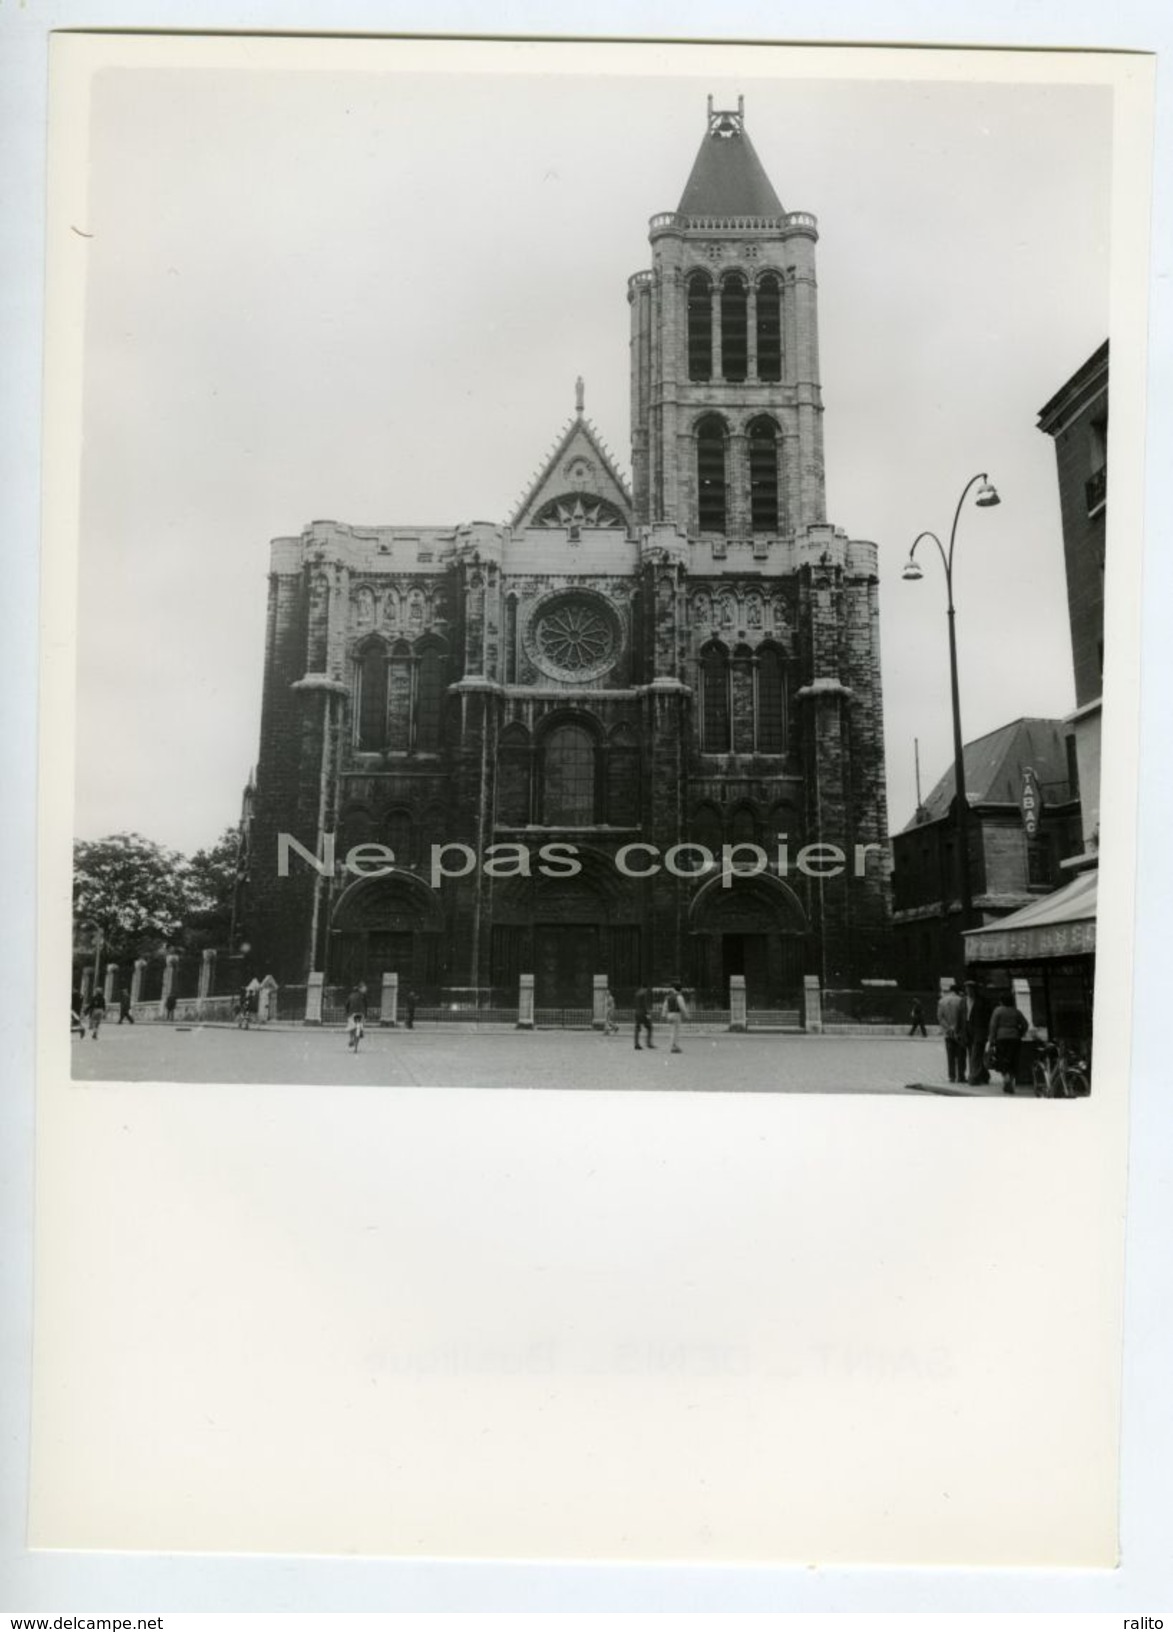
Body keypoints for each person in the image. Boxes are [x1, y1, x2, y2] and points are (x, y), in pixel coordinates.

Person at [987, 988, 1029, 1095]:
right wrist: (1020, 1033)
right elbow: (1025, 1024)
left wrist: (991, 1039)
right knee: (1013, 1059)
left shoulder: (998, 1011)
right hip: (1015, 1038)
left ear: (1001, 1001)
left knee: (1002, 1059)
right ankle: (1011, 1079)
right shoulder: (1016, 1011)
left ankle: (1006, 1078)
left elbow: (993, 1026)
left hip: (1001, 1038)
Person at [962, 979, 992, 1086]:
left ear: (975, 990)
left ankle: (973, 1078)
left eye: (971, 989)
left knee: (975, 1054)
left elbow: (988, 1017)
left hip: (980, 1031)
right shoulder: (963, 1001)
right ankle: (984, 1075)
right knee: (973, 1054)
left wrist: (988, 1032)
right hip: (967, 1030)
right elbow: (961, 1017)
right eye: (967, 989)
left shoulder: (982, 1001)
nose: (969, 991)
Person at [936, 982, 965, 1084]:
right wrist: (956, 1028)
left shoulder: (942, 1001)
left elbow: (940, 1017)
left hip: (948, 1033)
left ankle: (951, 1076)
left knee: (950, 1056)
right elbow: (963, 1017)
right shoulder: (961, 1001)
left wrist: (948, 1028)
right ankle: (961, 1076)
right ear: (958, 991)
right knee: (961, 1055)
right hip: (959, 1032)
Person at [662, 982, 689, 1053]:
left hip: (669, 1014)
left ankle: (673, 1046)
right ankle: (674, 1046)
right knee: (676, 1032)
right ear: (680, 989)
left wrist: (663, 1014)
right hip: (676, 1014)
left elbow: (665, 1006)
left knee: (672, 1031)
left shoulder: (668, 996)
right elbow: (682, 1007)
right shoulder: (679, 996)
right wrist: (686, 1015)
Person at [347, 981, 367, 1051]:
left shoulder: (350, 995)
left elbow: (347, 1005)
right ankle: (356, 1047)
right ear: (360, 989)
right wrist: (365, 1016)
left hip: (351, 1013)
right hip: (360, 1014)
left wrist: (347, 1014)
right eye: (364, 988)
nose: (365, 989)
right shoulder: (363, 996)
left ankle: (351, 1039)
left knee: (351, 1028)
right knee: (358, 1030)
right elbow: (365, 1006)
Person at [633, 986, 654, 1051]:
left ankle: (636, 1044)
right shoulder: (645, 993)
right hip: (643, 1012)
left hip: (637, 1012)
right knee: (649, 1027)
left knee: (637, 1028)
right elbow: (645, 1003)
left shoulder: (637, 993)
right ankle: (648, 1043)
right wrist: (647, 1013)